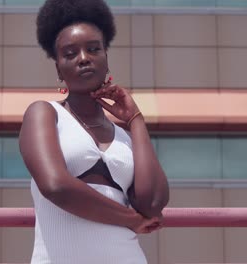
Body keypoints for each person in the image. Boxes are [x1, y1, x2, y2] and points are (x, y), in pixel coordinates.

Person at [19, 0, 169, 263]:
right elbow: (56, 186)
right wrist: (130, 219)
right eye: (70, 53)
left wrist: (135, 120)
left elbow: (153, 204)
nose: (84, 58)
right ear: (58, 68)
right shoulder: (45, 114)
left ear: (106, 58)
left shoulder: (124, 138)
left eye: (93, 49)